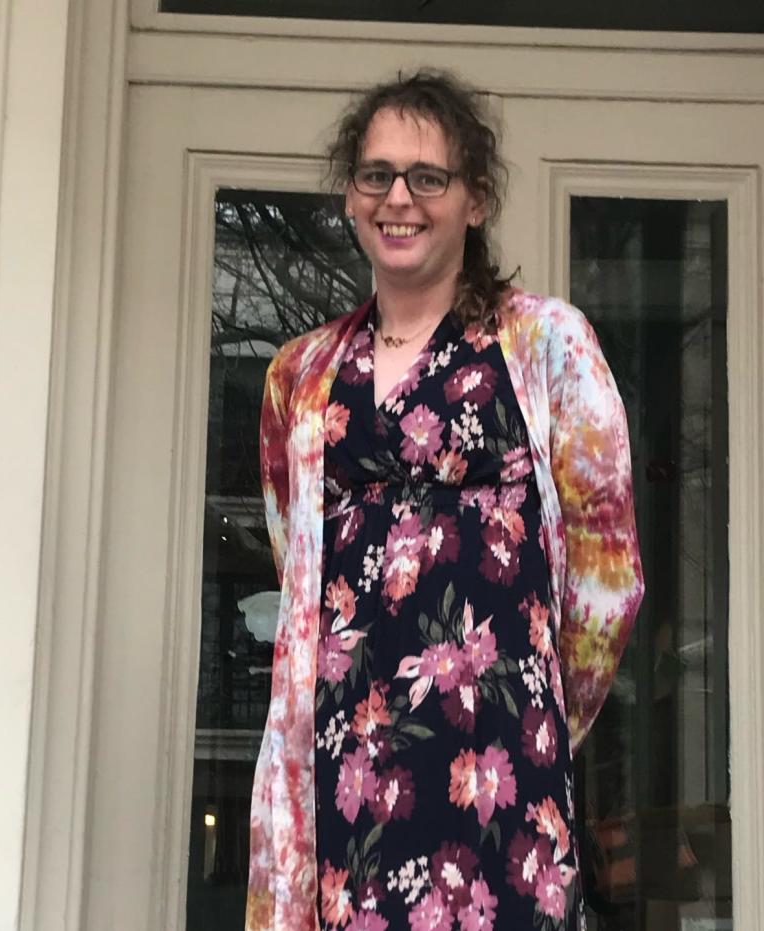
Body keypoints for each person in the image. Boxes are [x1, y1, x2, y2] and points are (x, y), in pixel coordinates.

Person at [245, 70, 644, 931]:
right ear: (350, 198)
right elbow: (297, 561)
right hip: (346, 767)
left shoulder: (548, 345)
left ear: (477, 199)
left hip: (499, 767)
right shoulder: (298, 376)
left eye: (428, 177)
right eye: (375, 174)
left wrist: (529, 700)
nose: (400, 198)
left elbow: (608, 576)